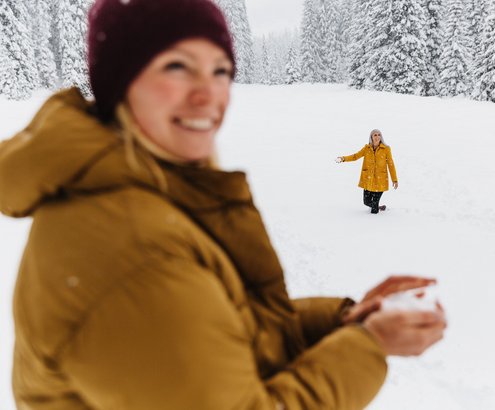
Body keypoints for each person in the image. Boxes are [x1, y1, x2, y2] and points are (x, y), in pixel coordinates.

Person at [0, 1, 446, 409]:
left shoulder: (151, 191)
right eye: (176, 67)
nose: (208, 94)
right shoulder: (130, 248)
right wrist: (366, 345)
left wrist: (345, 321)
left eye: (220, 71)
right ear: (121, 83)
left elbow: (225, 334)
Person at [336, 129, 398, 214]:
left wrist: (394, 179)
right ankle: (378, 206)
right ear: (371, 137)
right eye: (375, 135)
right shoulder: (366, 148)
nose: (377, 137)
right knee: (366, 202)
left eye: (379, 135)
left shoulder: (386, 149)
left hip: (380, 181)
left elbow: (391, 164)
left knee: (374, 210)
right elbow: (355, 156)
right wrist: (343, 158)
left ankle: (374, 222)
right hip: (368, 180)